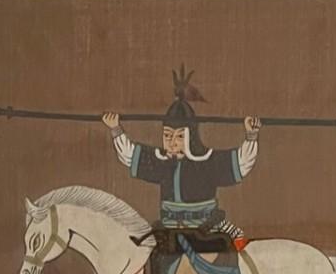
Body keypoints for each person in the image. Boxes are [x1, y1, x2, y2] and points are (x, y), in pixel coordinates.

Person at [101, 72, 260, 240]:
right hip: (169, 230)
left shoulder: (207, 162)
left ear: (190, 137)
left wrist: (251, 134)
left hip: (207, 228)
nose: (172, 143)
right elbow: (129, 155)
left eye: (179, 136)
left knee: (231, 252)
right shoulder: (160, 162)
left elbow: (241, 163)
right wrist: (115, 128)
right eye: (168, 136)